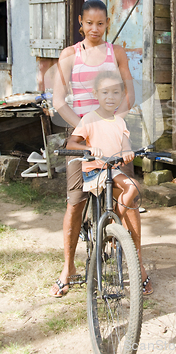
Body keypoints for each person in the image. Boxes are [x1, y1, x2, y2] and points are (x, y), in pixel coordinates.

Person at [50, 0, 153, 297]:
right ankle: (68, 267)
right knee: (76, 199)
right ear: (80, 22)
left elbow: (129, 93)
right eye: (89, 23)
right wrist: (87, 125)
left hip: (113, 129)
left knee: (127, 195)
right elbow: (59, 101)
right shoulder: (69, 55)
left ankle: (138, 265)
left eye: (101, 23)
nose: (95, 29)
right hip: (81, 134)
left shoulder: (116, 52)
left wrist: (109, 120)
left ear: (107, 23)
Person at [66, 72, 149, 280]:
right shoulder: (89, 119)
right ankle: (112, 224)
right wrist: (89, 148)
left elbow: (125, 144)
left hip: (113, 169)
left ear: (122, 96)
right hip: (95, 171)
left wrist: (128, 152)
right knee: (127, 187)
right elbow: (71, 143)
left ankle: (113, 223)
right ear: (95, 94)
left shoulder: (120, 122)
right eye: (105, 92)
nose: (110, 97)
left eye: (115, 92)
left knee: (133, 186)